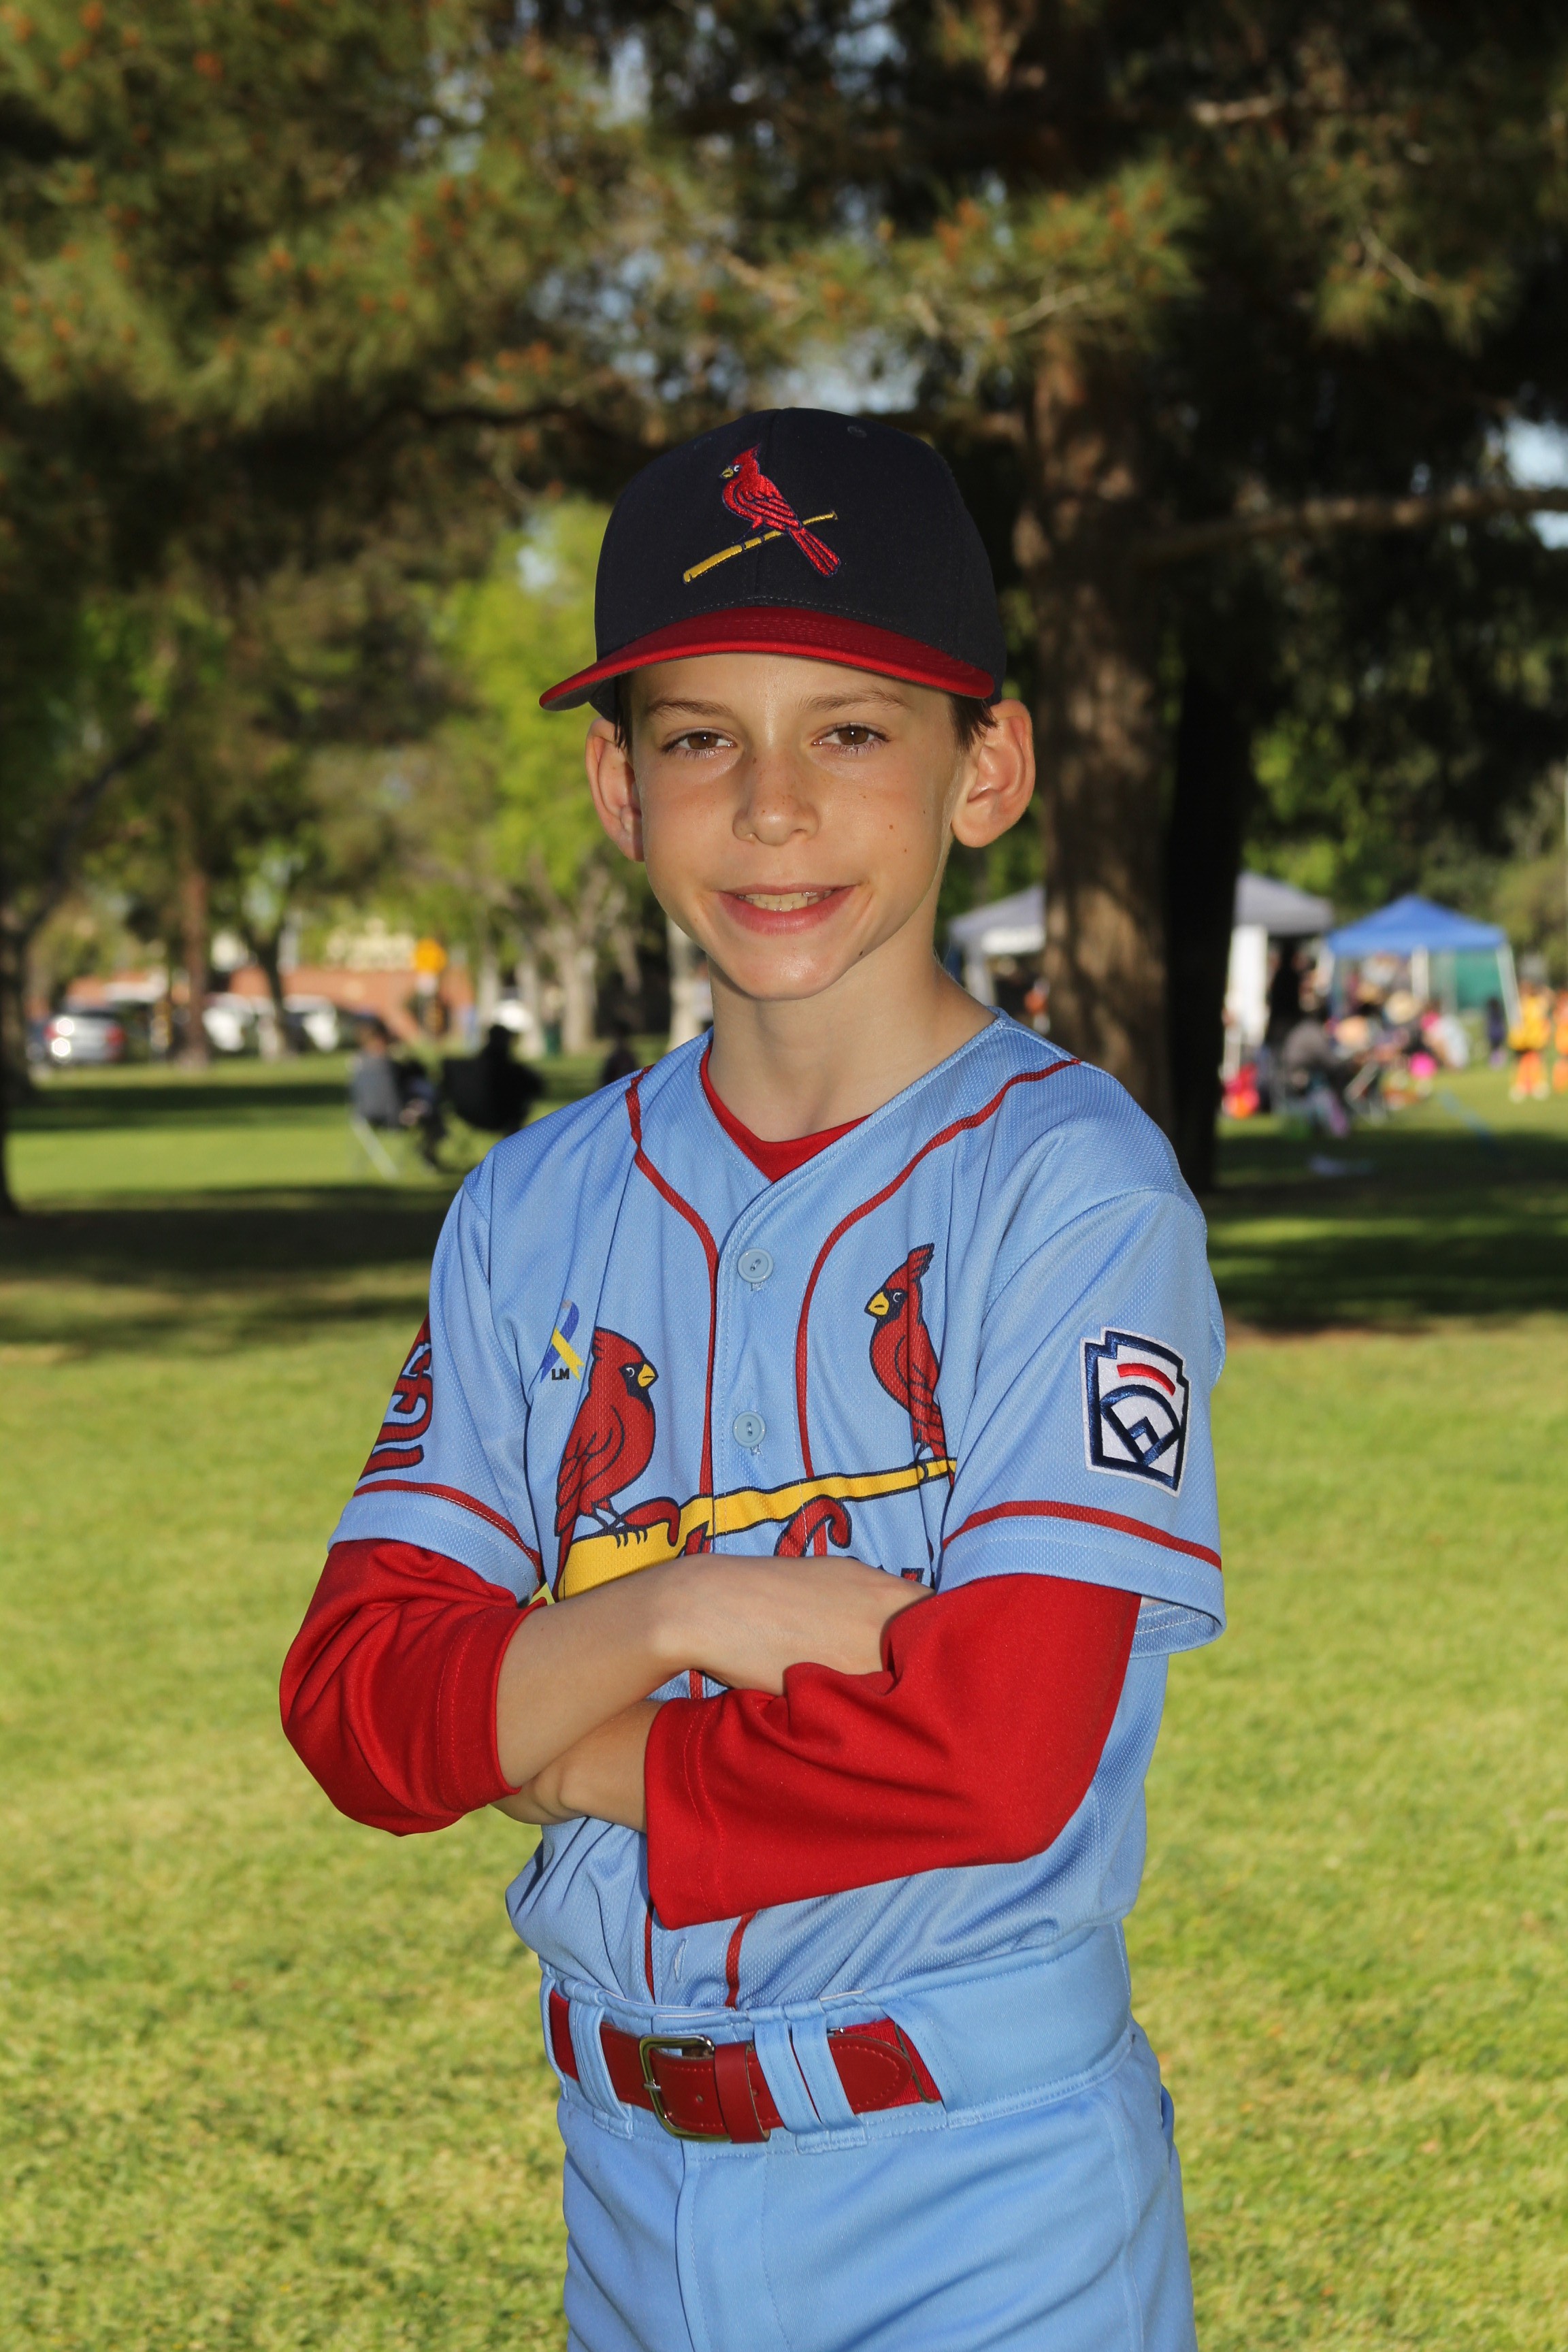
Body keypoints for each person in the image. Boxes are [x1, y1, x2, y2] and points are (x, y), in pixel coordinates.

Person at [280, 410, 1225, 2352]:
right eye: (703, 737)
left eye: (852, 732)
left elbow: (996, 1749)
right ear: (619, 788)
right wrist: (687, 1612)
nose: (774, 809)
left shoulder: (1070, 1183)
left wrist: (553, 1740)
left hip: (981, 2192)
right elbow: (359, 1708)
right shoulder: (531, 1206)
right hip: (626, 2188)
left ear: (988, 768)